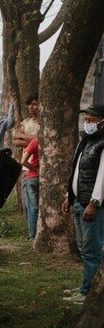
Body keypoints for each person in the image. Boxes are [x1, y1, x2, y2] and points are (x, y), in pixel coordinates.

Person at [62, 103, 104, 304]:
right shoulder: (85, 140)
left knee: (92, 250)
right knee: (83, 247)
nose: (87, 123)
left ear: (102, 122)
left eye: (91, 120)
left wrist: (94, 203)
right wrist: (68, 196)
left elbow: (103, 177)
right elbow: (76, 171)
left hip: (92, 205)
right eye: (85, 119)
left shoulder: (102, 143)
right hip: (79, 201)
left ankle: (90, 293)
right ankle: (86, 286)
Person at [21, 137, 40, 242]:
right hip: (43, 178)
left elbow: (23, 161)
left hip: (33, 177)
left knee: (32, 209)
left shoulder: (35, 141)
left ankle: (33, 237)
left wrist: (33, 168)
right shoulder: (48, 141)